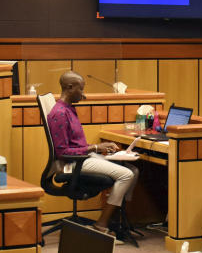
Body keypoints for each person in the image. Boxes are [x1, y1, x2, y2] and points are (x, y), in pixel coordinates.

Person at [46, 71, 137, 234]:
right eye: (80, 89)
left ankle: (118, 218)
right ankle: (102, 223)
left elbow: (75, 143)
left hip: (83, 157)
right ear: (69, 87)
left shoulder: (69, 109)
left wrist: (99, 148)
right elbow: (62, 151)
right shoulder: (59, 113)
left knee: (133, 170)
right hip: (72, 163)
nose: (83, 94)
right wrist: (95, 148)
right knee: (126, 175)